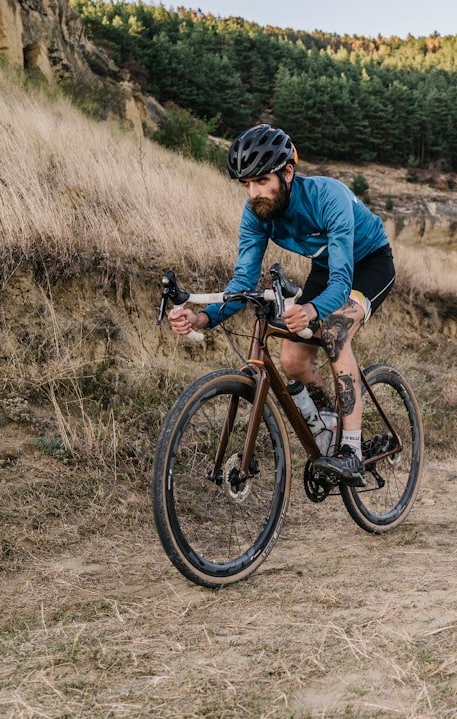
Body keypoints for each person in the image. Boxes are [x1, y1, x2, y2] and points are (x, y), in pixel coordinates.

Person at [168, 124, 395, 487]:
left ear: (287, 172)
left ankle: (351, 450)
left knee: (335, 329)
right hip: (326, 266)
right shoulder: (256, 213)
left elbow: (341, 283)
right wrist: (201, 319)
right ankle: (331, 421)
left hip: (369, 263)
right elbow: (243, 284)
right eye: (246, 184)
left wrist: (312, 311)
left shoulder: (328, 196)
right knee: (291, 359)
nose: (253, 192)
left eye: (261, 181)